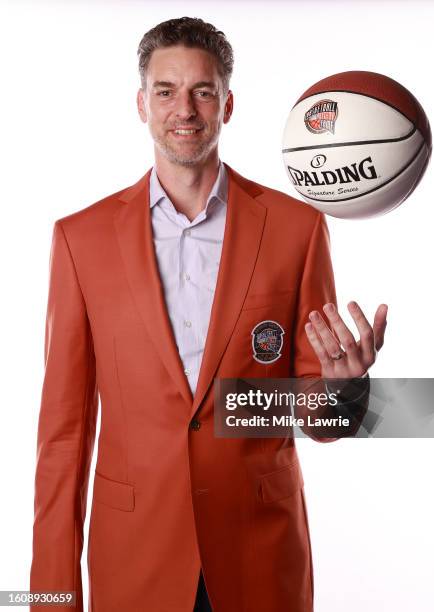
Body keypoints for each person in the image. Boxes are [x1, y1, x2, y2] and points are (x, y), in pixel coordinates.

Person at [29, 16, 388, 612]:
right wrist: (48, 599)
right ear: (142, 104)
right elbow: (63, 439)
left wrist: (346, 390)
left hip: (260, 556)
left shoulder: (296, 229)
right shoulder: (80, 240)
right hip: (135, 562)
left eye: (203, 91)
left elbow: (313, 413)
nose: (184, 110)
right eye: (166, 91)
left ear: (228, 104)